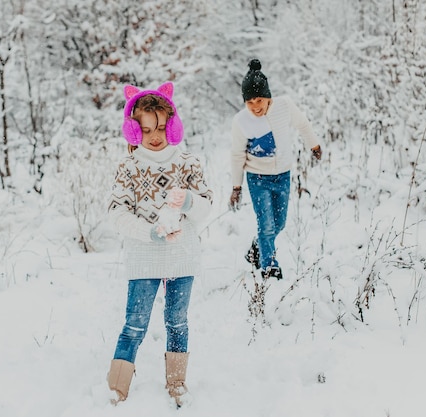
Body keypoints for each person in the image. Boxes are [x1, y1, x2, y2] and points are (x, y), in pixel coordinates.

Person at [106, 82, 213, 407]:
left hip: (182, 256)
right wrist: (149, 231)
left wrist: (189, 201)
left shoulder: (188, 163)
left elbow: (208, 203)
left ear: (174, 126)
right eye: (147, 129)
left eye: (163, 128)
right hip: (144, 256)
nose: (155, 136)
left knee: (177, 321)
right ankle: (117, 385)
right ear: (133, 131)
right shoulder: (129, 167)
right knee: (135, 323)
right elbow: (117, 212)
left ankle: (177, 383)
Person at [229, 59, 322, 280]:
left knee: (279, 223)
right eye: (249, 102)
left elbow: (303, 124)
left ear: (268, 96)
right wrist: (236, 186)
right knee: (267, 225)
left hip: (282, 176)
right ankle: (269, 267)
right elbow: (237, 154)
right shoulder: (241, 121)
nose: (255, 106)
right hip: (257, 178)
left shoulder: (284, 106)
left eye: (259, 100)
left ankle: (257, 249)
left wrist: (314, 145)